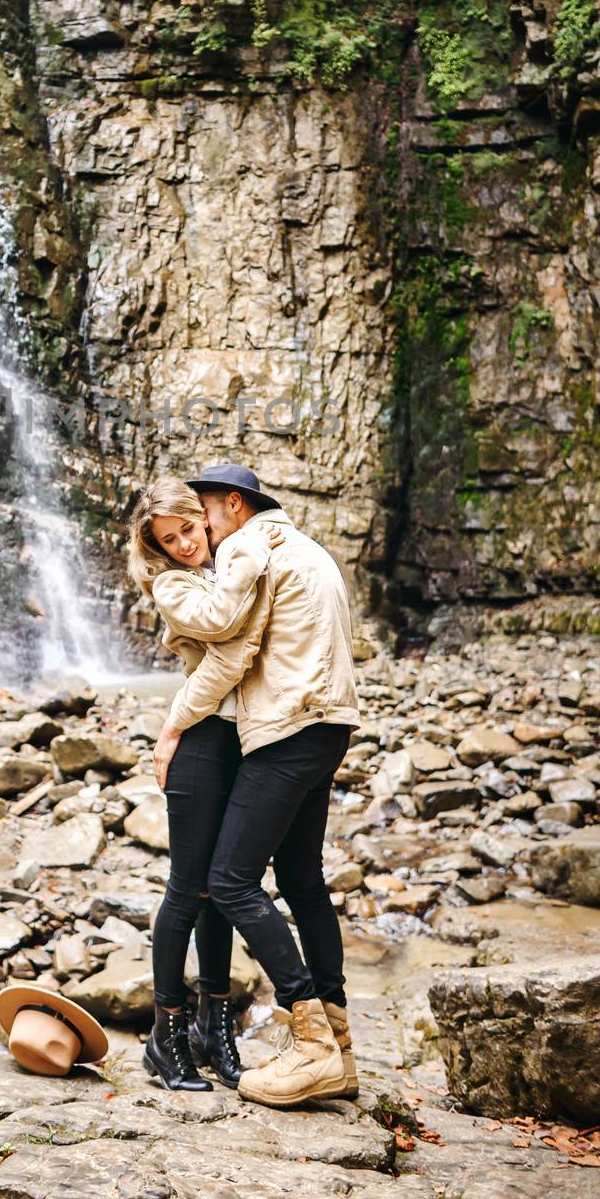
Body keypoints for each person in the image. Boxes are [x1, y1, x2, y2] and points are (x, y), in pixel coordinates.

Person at [150, 462, 361, 1109]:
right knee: (300, 880)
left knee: (231, 881)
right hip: (329, 723)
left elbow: (234, 649)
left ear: (232, 506)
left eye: (202, 515)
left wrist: (170, 726)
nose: (200, 531)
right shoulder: (306, 547)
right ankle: (341, 1046)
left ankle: (312, 1044)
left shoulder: (247, 547)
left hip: (285, 728)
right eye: (176, 532)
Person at [128, 474, 283, 1090]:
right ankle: (165, 1037)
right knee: (187, 889)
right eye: (170, 539)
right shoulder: (173, 585)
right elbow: (225, 631)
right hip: (198, 745)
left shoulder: (229, 558)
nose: (184, 545)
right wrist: (169, 731)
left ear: (205, 517)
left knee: (224, 889)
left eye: (189, 529)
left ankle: (212, 1028)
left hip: (242, 740)